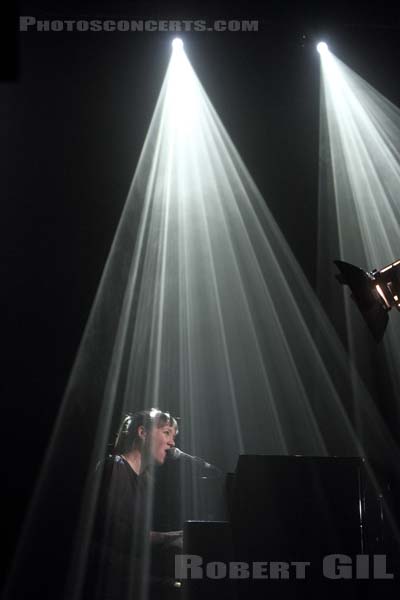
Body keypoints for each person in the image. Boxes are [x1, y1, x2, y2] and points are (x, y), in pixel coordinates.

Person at [85, 409, 183, 600]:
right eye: (166, 433)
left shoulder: (146, 480)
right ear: (142, 433)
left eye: (174, 436)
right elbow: (115, 533)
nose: (172, 443)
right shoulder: (115, 467)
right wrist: (168, 537)